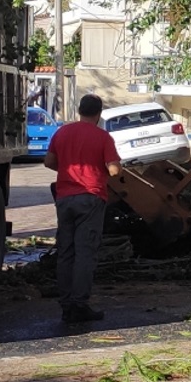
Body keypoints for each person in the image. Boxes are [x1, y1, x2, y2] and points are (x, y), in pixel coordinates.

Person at [43, 93, 122, 323]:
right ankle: (80, 304)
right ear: (98, 114)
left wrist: (66, 171)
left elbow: (49, 162)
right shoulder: (103, 137)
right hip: (91, 197)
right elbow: (115, 170)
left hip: (65, 197)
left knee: (66, 252)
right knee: (85, 253)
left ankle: (66, 305)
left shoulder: (62, 133)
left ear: (79, 110)